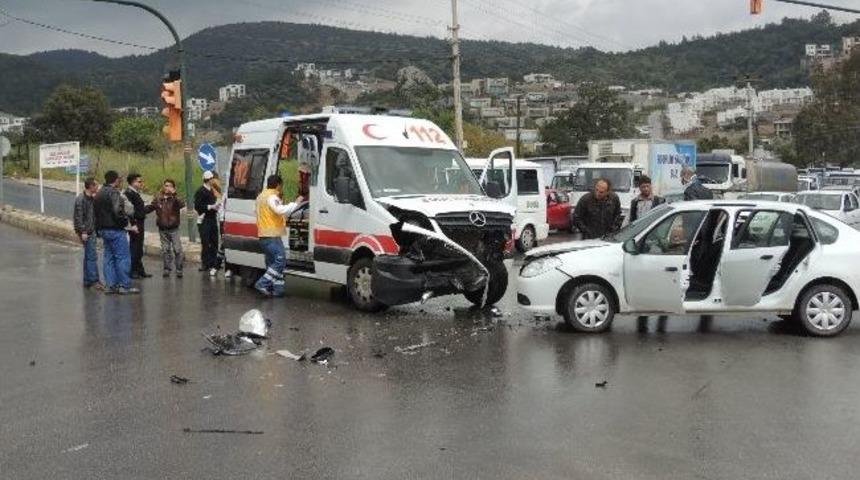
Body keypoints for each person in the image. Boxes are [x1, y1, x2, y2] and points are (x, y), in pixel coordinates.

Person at [254, 174, 303, 297]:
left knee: (272, 263)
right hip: (272, 235)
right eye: (281, 186)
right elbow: (279, 210)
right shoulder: (271, 197)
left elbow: (270, 214)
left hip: (263, 235)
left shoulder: (261, 197)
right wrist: (295, 204)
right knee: (280, 261)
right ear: (278, 185)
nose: (282, 188)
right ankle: (262, 284)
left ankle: (278, 289)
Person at [94, 170, 139, 295]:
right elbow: (117, 211)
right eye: (119, 179)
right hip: (115, 229)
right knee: (123, 257)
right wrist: (124, 222)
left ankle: (110, 285)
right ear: (115, 180)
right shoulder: (113, 193)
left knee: (108, 258)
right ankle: (125, 285)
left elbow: (95, 213)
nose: (120, 181)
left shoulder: (99, 193)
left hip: (103, 229)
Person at [151, 179, 185, 278]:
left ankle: (179, 269)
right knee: (165, 250)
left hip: (174, 228)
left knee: (177, 249)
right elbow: (150, 207)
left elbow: (182, 204)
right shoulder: (158, 198)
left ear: (173, 187)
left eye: (170, 186)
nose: (167, 188)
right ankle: (167, 269)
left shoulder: (175, 198)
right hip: (162, 228)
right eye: (166, 185)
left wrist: (174, 194)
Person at [73, 177, 103, 290]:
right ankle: (94, 281)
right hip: (87, 231)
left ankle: (87, 280)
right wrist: (83, 231)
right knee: (91, 257)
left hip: (91, 229)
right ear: (91, 186)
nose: (98, 187)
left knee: (88, 256)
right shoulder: (81, 199)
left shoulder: (92, 198)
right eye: (96, 185)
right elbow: (78, 217)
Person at [124, 173, 155, 279]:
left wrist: (152, 206)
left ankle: (140, 270)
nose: (141, 183)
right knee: (135, 248)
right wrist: (133, 225)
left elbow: (141, 210)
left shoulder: (135, 193)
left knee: (139, 248)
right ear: (133, 182)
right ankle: (132, 271)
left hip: (140, 222)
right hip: (135, 224)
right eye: (139, 181)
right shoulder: (129, 193)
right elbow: (129, 211)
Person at [194, 170, 221, 276]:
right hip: (204, 219)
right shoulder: (200, 191)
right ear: (209, 180)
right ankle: (205, 263)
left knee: (214, 241)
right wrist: (210, 206)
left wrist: (217, 206)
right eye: (212, 179)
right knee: (206, 242)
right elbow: (198, 206)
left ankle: (214, 262)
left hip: (212, 218)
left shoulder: (213, 190)